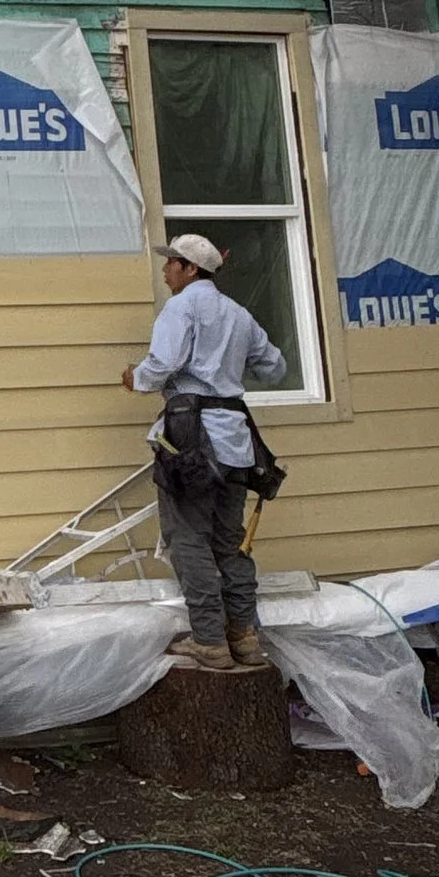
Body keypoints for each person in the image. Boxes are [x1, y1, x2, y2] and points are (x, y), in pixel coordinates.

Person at [122, 231, 286, 672]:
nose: (165, 269)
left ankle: (210, 640)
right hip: (235, 442)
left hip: (191, 440)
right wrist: (228, 363)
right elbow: (275, 367)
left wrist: (135, 378)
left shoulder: (181, 307)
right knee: (228, 542)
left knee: (187, 540)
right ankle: (244, 637)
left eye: (172, 262)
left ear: (191, 269)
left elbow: (162, 364)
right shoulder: (239, 314)